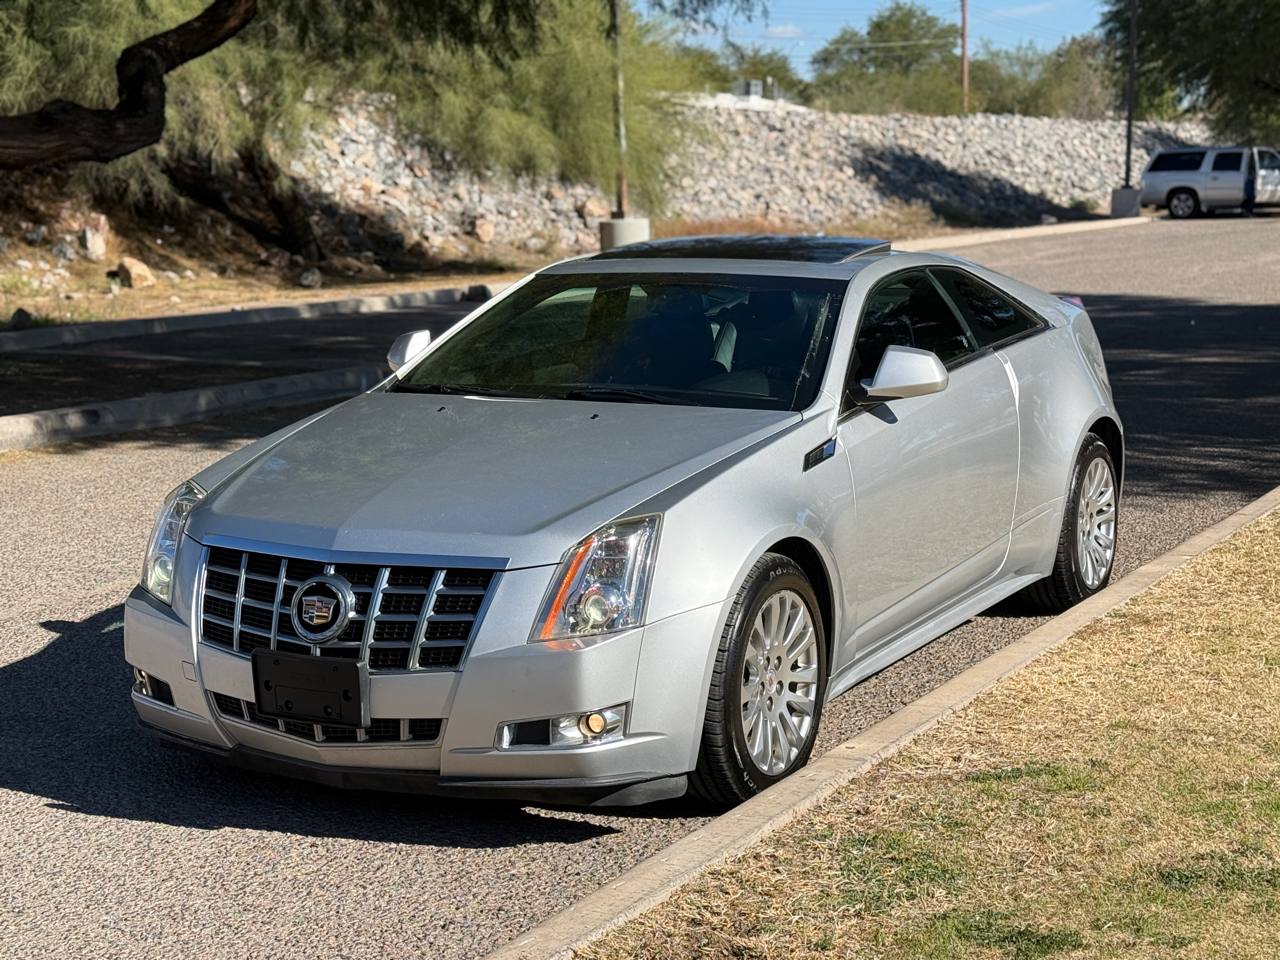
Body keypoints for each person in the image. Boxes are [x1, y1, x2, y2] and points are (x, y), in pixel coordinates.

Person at [1244, 151, 1258, 217]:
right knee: (1251, 198)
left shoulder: (1251, 165)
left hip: (1251, 182)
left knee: (1251, 198)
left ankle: (1248, 211)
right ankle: (1248, 211)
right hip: (1249, 182)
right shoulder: (1247, 165)